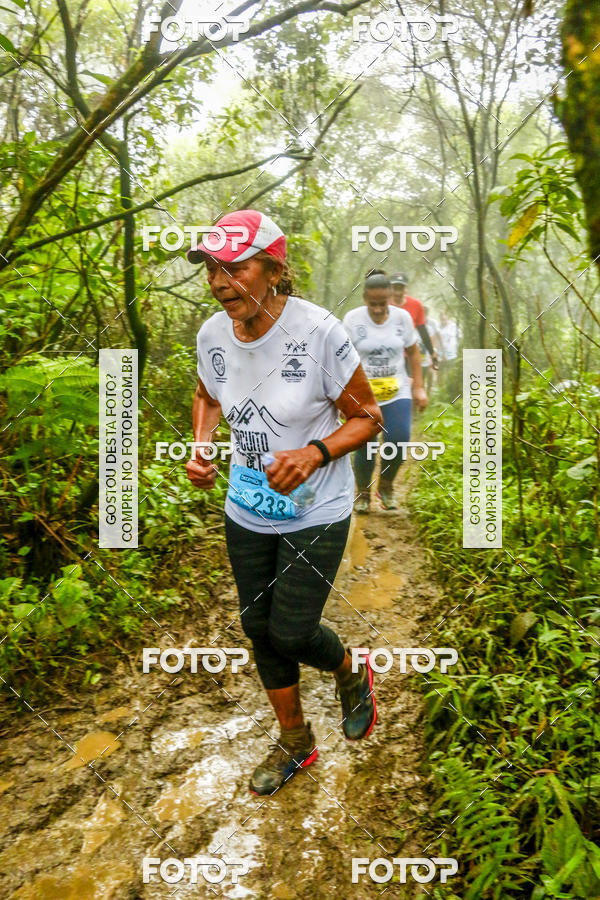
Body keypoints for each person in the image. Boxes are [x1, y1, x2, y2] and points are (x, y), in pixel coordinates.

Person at [185, 209, 383, 796]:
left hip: (315, 508)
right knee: (258, 626)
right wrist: (201, 446)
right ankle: (295, 742)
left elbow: (367, 418)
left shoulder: (319, 332)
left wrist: (314, 453)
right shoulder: (212, 333)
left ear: (273, 269)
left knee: (292, 632)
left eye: (235, 267)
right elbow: (205, 392)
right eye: (212, 270)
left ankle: (350, 670)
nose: (221, 282)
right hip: (246, 506)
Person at [343, 273, 427, 512]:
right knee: (365, 445)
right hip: (364, 393)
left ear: (391, 298)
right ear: (364, 299)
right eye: (373, 304)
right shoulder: (352, 319)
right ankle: (363, 493)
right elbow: (342, 357)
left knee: (398, 440)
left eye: (383, 304)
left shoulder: (403, 318)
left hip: (397, 391)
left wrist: (419, 387)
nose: (378, 310)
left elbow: (413, 352)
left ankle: (387, 486)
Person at [389, 273, 440, 373]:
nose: (398, 291)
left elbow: (423, 331)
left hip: (409, 355)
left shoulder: (416, 305)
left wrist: (432, 353)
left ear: (406, 288)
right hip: (388, 355)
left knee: (409, 385)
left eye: (401, 287)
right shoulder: (383, 303)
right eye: (395, 287)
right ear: (390, 288)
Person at [420, 306, 443, 393]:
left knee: (429, 374)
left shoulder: (429, 328)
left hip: (426, 357)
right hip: (416, 359)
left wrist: (433, 357)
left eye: (424, 314)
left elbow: (433, 343)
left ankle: (428, 393)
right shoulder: (412, 326)